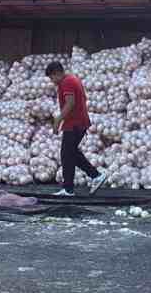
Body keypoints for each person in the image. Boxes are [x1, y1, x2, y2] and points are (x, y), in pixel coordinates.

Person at [46, 60, 108, 196]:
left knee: (67, 155)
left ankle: (69, 189)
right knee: (71, 153)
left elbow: (70, 103)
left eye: (51, 78)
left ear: (56, 73)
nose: (52, 81)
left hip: (75, 124)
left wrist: (57, 121)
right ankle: (95, 176)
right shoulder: (72, 79)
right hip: (77, 123)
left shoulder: (67, 82)